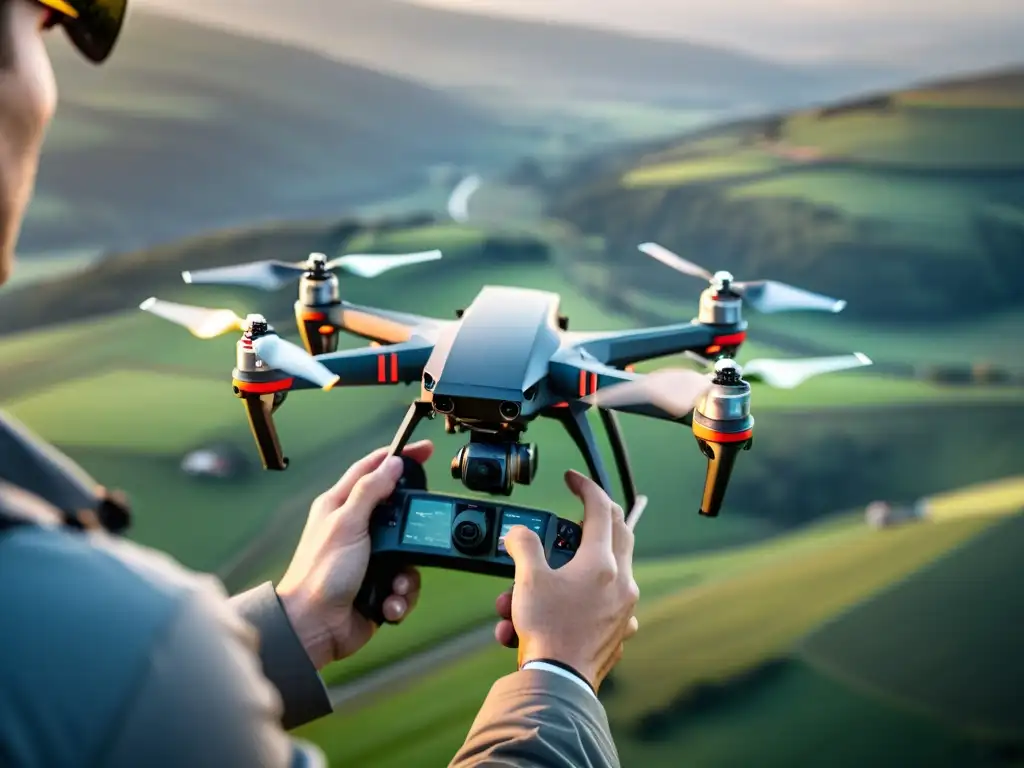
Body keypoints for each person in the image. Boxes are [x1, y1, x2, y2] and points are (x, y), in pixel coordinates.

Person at [0, 1, 641, 766]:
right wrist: (560, 676)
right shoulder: (122, 650)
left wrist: (300, 624)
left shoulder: (99, 670)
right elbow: (114, 708)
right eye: (44, 24)